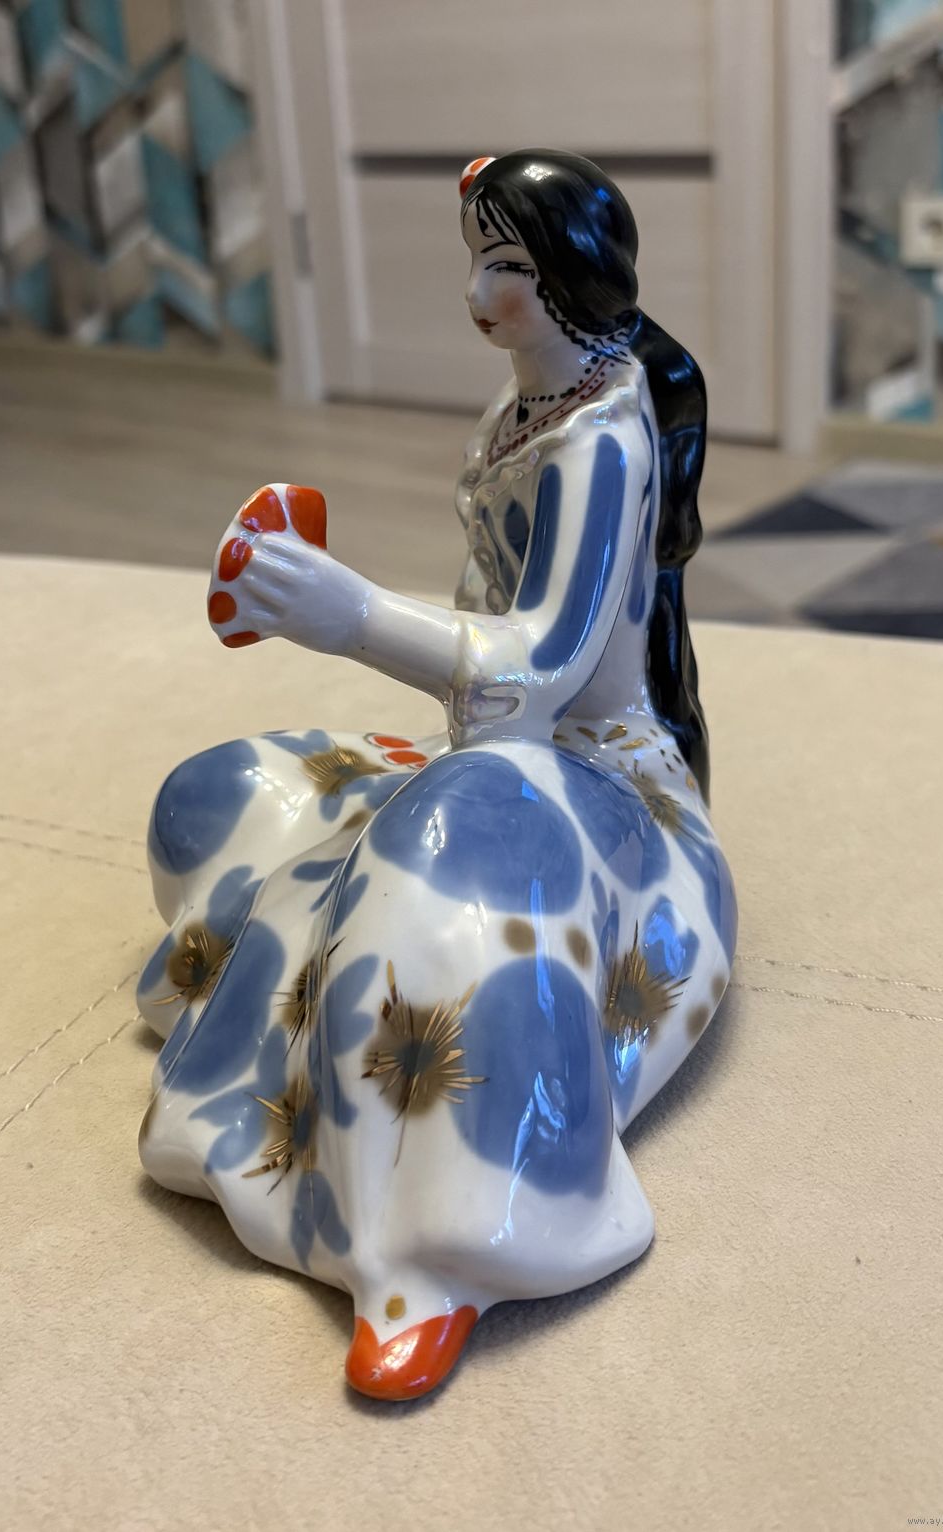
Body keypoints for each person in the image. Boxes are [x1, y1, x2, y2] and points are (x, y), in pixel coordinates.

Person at [138, 150, 737, 1402]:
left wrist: (347, 611)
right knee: (220, 794)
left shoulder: (600, 443)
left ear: (570, 279)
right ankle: (283, 1057)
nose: (476, 293)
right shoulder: (526, 407)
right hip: (490, 759)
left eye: (505, 266)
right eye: (474, 258)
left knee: (449, 856)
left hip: (601, 787)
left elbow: (537, 675)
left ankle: (439, 1249)